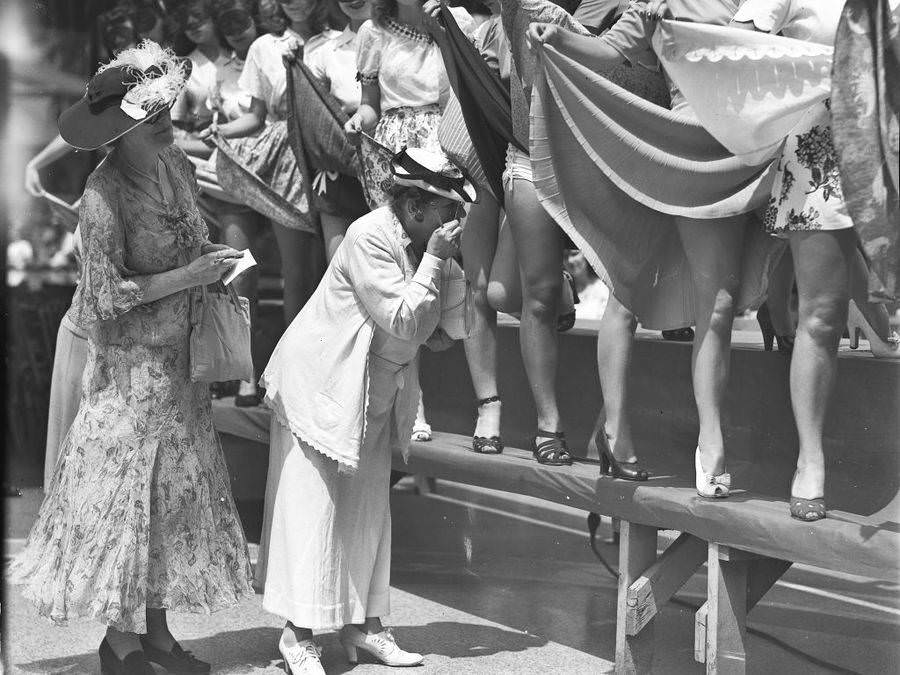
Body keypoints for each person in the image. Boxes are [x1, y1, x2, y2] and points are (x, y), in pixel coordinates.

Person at [9, 42, 254, 674]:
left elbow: (188, 233)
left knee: (171, 500)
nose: (166, 120)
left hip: (180, 362)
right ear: (122, 128)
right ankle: (118, 641)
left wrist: (213, 264)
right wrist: (185, 275)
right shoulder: (101, 197)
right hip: (128, 370)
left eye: (166, 109)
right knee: (126, 501)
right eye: (153, 115)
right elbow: (101, 300)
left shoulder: (172, 164)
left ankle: (160, 632)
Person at [528, 0, 768, 487]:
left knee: (716, 295)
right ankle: (700, 442)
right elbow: (607, 49)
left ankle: (620, 433)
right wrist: (557, 39)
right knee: (695, 298)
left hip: (760, 147)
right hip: (684, 154)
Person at [258, 148, 475, 674]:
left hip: (374, 391)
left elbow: (448, 335)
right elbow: (403, 323)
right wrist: (434, 264)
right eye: (449, 209)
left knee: (367, 511)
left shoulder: (433, 247)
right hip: (322, 384)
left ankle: (365, 627)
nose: (456, 221)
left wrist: (446, 267)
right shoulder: (366, 235)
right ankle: (296, 637)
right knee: (313, 510)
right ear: (416, 206)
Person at [728, 0, 898, 519]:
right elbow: (738, 51)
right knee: (822, 316)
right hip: (821, 147)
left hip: (890, 148)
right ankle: (811, 460)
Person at [303, 0, 373, 261]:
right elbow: (314, 113)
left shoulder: (402, 41)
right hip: (338, 170)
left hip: (393, 168)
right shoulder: (322, 51)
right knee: (339, 270)